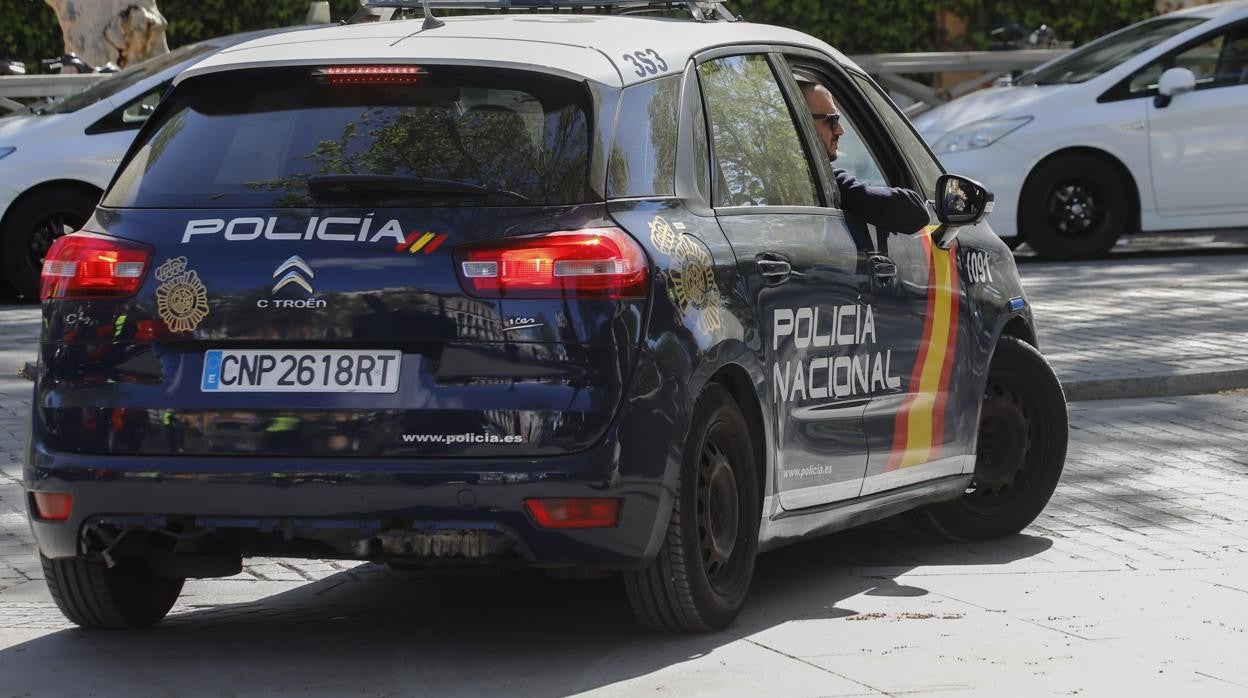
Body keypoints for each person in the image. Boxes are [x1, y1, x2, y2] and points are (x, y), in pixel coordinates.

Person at [800, 82, 930, 233]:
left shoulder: (778, 174)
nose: (840, 131)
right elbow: (915, 212)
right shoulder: (816, 177)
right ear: (799, 122)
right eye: (832, 120)